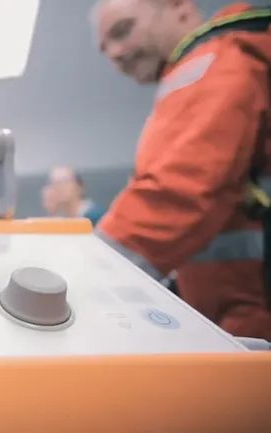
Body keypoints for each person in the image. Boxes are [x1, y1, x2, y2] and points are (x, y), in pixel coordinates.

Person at [91, 0, 271, 338]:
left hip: (252, 316)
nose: (114, 53)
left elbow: (178, 190)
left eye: (123, 31)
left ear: (180, 8)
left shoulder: (212, 64)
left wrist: (89, 272)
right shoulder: (229, 59)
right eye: (105, 48)